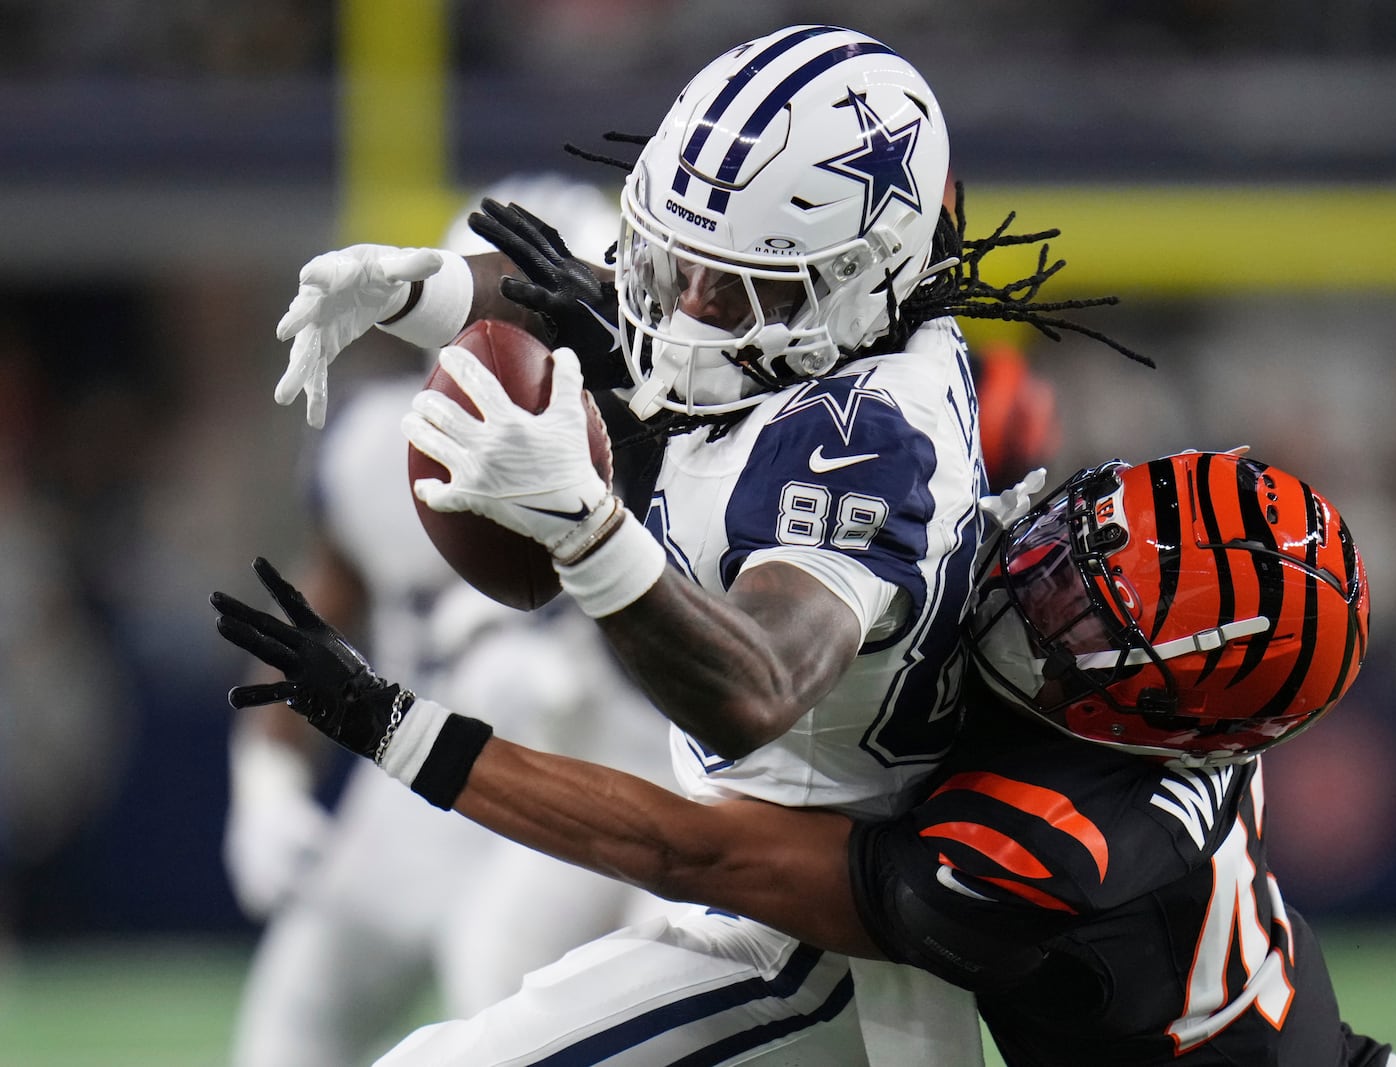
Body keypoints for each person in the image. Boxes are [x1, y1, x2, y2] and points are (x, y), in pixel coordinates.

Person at [258, 22, 1142, 1067]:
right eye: (682, 261)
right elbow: (603, 299)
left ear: (863, 279)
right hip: (744, 878)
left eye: (734, 283)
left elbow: (755, 683)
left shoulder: (869, 443)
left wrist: (586, 531)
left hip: (817, 944)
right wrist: (421, 292)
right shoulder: (808, 335)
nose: (690, 309)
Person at [213, 447, 1396, 1066]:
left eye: (1101, 623)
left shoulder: (1049, 840)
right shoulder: (1162, 694)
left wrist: (395, 726)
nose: (1048, 583)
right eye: (1082, 540)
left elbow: (684, 847)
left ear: (1166, 721)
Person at [224, 175, 676, 1067]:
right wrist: (264, 783)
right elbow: (316, 620)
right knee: (291, 1021)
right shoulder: (369, 449)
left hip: (570, 792)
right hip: (411, 783)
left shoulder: (661, 456)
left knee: (504, 997)